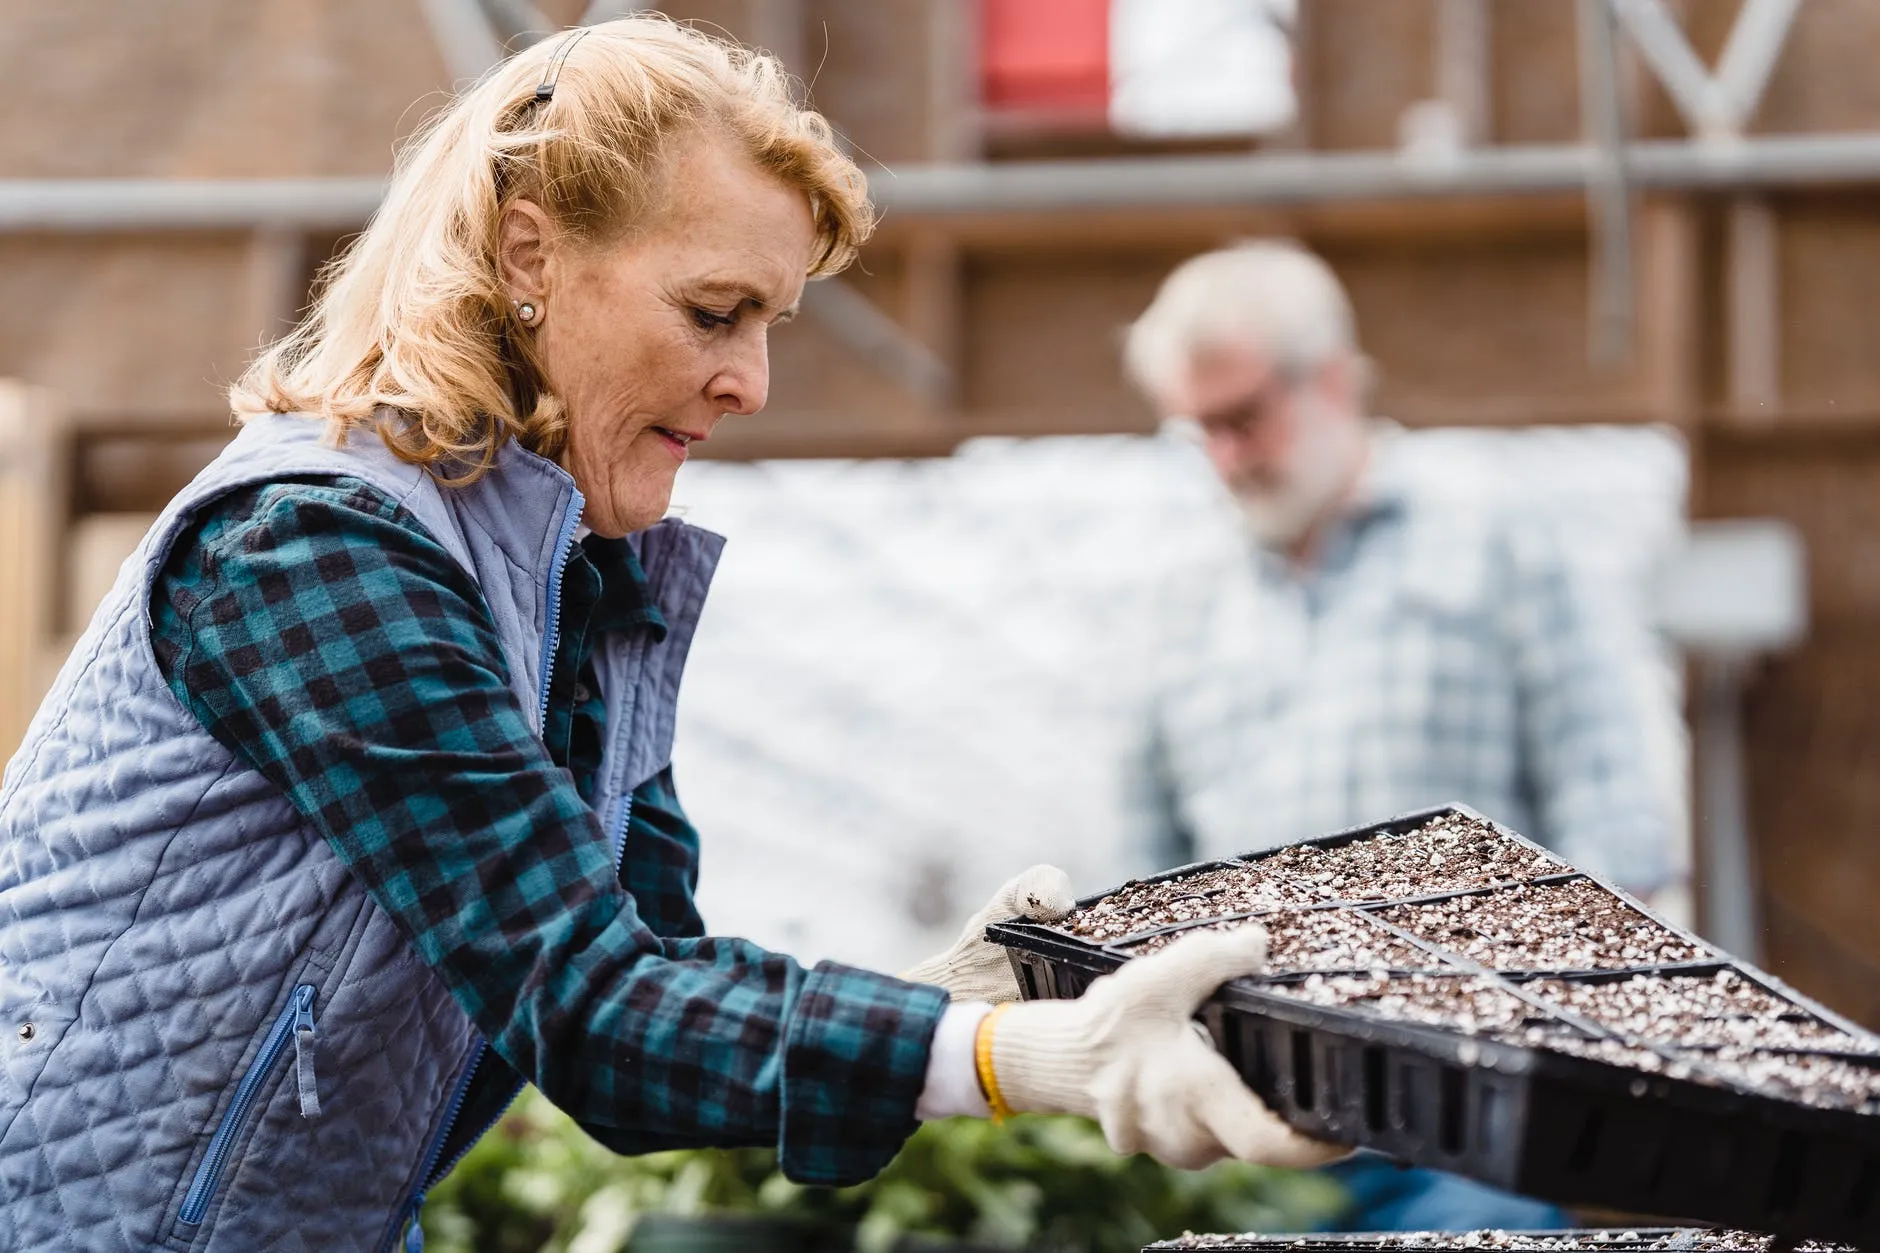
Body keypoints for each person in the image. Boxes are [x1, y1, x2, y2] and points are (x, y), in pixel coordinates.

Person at [0, 24, 1335, 1253]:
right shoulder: (311, 553)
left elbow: (649, 997)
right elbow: (587, 1010)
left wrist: (956, 1002)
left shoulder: (580, 587)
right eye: (711, 313)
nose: (750, 381)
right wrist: (1004, 1059)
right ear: (530, 259)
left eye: (769, 324)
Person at [1120, 241, 1684, 1230]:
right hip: (1254, 1141)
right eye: (1197, 430)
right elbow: (1141, 873)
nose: (1225, 458)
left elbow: (1612, 825)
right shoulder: (1176, 606)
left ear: (1330, 377)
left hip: (1467, 1118)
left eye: (1243, 417)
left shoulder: (1498, 541)